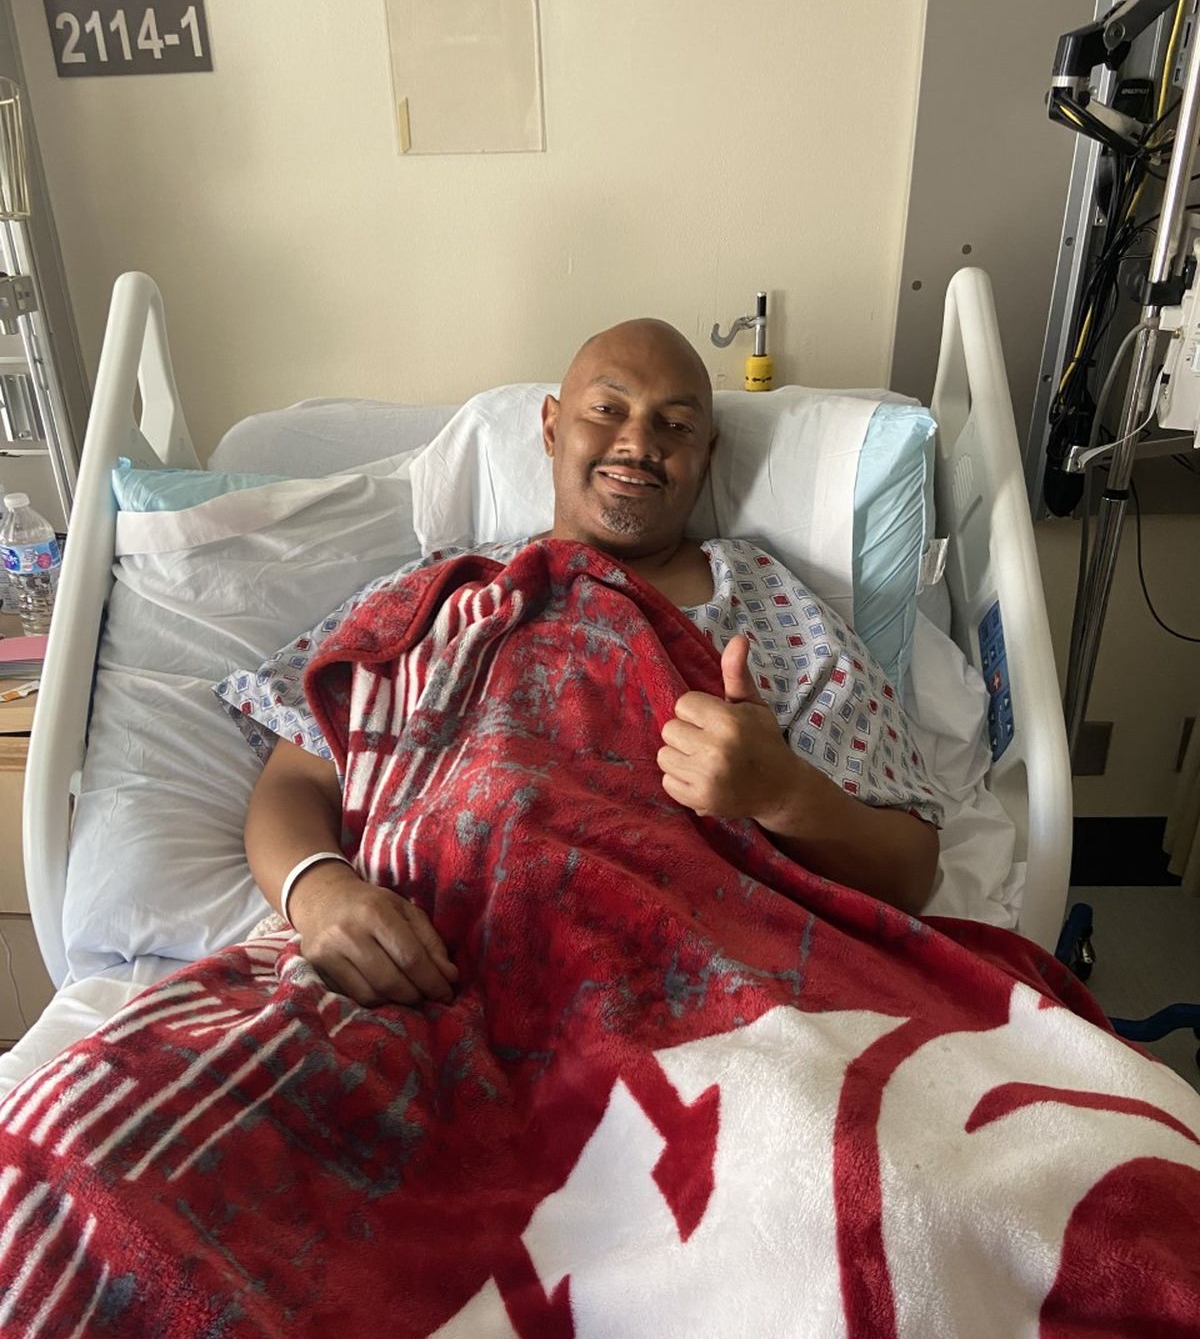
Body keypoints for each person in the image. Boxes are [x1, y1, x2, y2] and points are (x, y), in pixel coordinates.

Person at [224, 319, 941, 1010]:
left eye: (676, 426)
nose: (638, 442)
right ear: (550, 426)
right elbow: (296, 779)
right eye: (608, 409)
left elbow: (910, 872)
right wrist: (320, 894)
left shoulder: (772, 610)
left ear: (708, 454)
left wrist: (782, 793)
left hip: (699, 985)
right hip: (417, 972)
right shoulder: (438, 595)